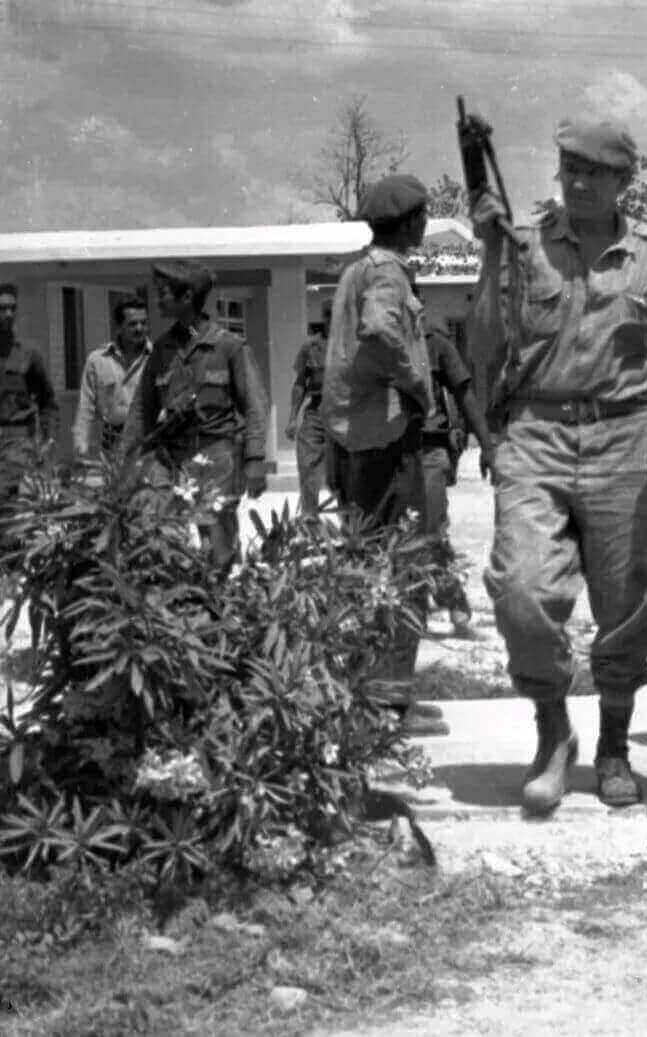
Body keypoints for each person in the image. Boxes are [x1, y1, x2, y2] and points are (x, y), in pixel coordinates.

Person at [468, 117, 647, 814]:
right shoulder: (524, 245)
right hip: (536, 432)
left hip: (629, 435)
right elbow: (484, 344)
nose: (580, 182)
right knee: (522, 590)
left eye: (596, 172)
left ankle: (615, 745)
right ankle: (552, 730)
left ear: (626, 180)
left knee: (629, 605)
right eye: (570, 168)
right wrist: (490, 256)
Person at [321, 173, 446, 739]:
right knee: (402, 564)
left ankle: (366, 696)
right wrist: (419, 386)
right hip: (383, 440)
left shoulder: (356, 270)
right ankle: (388, 701)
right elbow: (379, 333)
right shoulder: (389, 272)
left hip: (354, 437)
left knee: (364, 563)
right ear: (413, 221)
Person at [121, 261, 266, 572]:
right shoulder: (161, 350)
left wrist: (255, 460)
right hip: (171, 457)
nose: (157, 300)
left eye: (163, 294)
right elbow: (140, 412)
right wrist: (124, 463)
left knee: (218, 542)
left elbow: (254, 406)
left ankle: (220, 605)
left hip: (217, 456)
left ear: (186, 297)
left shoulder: (228, 346)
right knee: (160, 535)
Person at [418, 310, 495, 639]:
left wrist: (488, 446)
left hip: (428, 449)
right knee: (393, 537)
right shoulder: (368, 344)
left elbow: (464, 392)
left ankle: (454, 603)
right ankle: (411, 613)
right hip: (385, 454)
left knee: (431, 532)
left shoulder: (434, 344)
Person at [72, 298, 149, 465]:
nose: (139, 328)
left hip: (145, 442)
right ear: (119, 326)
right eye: (133, 324)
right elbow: (86, 406)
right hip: (110, 443)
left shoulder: (156, 358)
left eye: (143, 323)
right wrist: (81, 446)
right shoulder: (98, 360)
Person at [285, 300, 332, 513]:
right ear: (324, 317)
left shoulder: (356, 346)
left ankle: (353, 531)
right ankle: (310, 522)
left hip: (348, 414)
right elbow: (299, 384)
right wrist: (292, 418)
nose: (333, 318)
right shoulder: (310, 347)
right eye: (328, 314)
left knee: (351, 474)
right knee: (307, 467)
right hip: (316, 412)